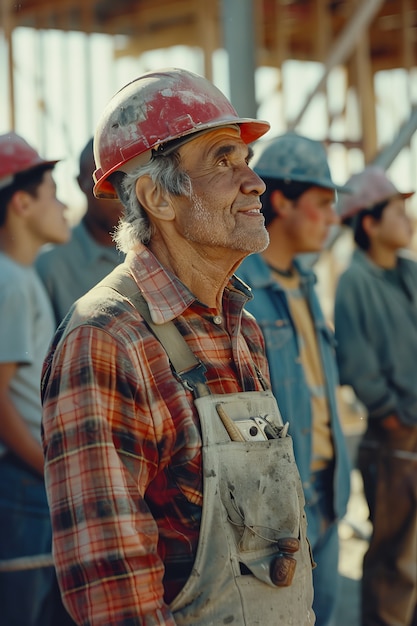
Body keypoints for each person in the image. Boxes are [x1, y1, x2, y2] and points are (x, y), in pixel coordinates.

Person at [41, 68, 315, 625]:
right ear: (157, 197)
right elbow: (115, 595)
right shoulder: (107, 340)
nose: (255, 183)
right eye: (222, 160)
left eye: (247, 160)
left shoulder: (241, 327)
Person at [237, 132, 351, 626]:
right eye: (322, 203)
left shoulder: (305, 284)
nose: (332, 217)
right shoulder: (243, 294)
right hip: (280, 513)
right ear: (280, 201)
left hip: (328, 495)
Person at [334, 165, 417, 626]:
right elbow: (359, 366)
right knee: (395, 560)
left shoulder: (410, 273)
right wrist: (392, 417)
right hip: (395, 442)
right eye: (399, 212)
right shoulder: (355, 282)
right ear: (369, 222)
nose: (408, 221)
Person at [0, 132, 70, 625]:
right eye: (52, 193)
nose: (64, 204)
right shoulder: (11, 282)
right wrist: (50, 469)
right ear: (22, 202)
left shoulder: (18, 277)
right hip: (24, 481)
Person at [36, 137, 125, 327]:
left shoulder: (158, 253)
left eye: (125, 178)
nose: (118, 193)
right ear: (80, 183)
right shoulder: (50, 267)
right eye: (105, 180)